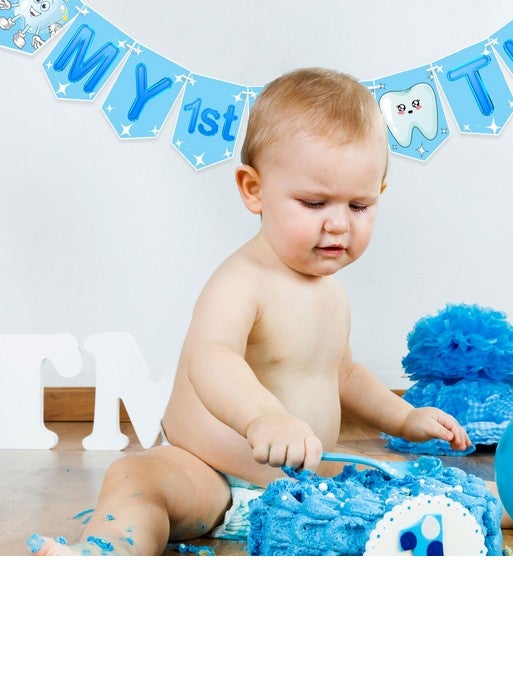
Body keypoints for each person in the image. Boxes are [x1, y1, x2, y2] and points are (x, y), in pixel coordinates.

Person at [32, 67, 472, 556]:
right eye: (314, 202)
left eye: (359, 205)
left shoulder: (331, 294)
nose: (338, 223)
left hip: (304, 491)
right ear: (253, 190)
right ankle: (103, 552)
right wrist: (263, 417)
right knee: (137, 477)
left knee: (421, 491)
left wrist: (405, 418)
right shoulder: (241, 281)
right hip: (206, 474)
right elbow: (210, 357)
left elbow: (344, 374)